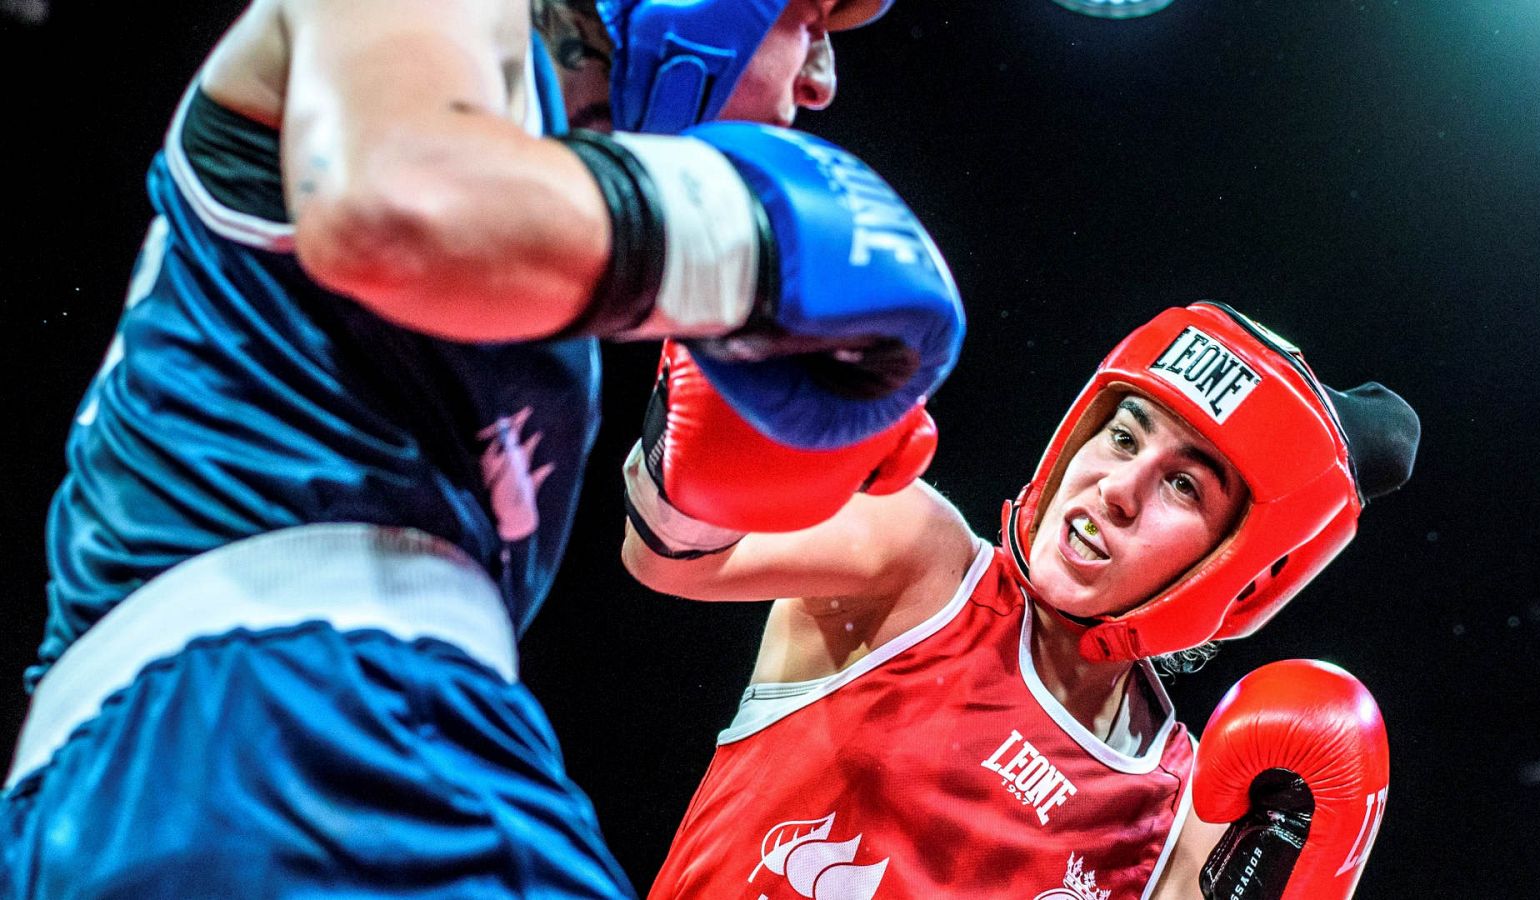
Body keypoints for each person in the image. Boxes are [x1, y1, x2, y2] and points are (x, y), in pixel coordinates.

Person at [2, 0, 966, 896]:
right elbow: (398, 207)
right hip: (290, 719)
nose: (821, 82)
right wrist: (751, 242)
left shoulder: (528, 206)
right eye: (809, 18)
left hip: (214, 752)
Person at [622, 302, 1419, 899]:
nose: (1119, 489)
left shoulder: (1176, 820)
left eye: (1182, 485)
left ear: (1234, 564)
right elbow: (668, 556)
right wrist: (712, 408)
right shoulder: (922, 567)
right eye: (1123, 435)